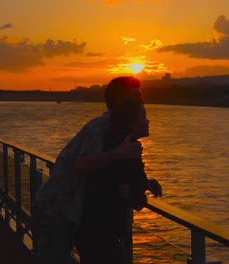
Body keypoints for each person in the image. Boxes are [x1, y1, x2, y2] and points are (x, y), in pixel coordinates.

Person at [32, 76, 162, 264]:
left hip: (75, 209)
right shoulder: (101, 128)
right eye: (135, 96)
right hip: (59, 206)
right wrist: (119, 153)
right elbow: (82, 164)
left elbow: (104, 171)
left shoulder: (115, 130)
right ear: (119, 99)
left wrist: (142, 182)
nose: (141, 100)